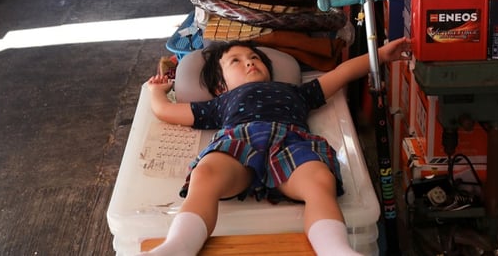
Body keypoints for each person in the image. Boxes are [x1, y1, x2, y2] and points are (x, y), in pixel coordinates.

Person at [140, 36, 413, 256]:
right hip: (239, 142)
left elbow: (342, 72)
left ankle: (336, 249)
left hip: (291, 142)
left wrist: (381, 54)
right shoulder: (220, 103)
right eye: (236, 61)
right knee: (205, 174)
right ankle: (177, 247)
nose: (249, 62)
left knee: (320, 181)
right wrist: (156, 92)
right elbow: (166, 111)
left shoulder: (297, 92)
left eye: (254, 58)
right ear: (221, 85)